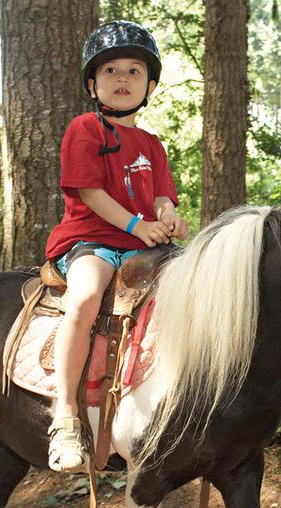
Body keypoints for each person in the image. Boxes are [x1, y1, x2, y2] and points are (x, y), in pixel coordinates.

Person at [46, 21, 187, 473]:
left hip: (142, 245)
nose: (122, 79)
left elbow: (162, 195)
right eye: (110, 70)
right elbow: (90, 194)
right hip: (91, 240)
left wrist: (165, 216)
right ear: (93, 84)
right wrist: (137, 225)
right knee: (86, 296)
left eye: (133, 70)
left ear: (148, 84)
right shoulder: (84, 129)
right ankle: (65, 415)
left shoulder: (151, 143)